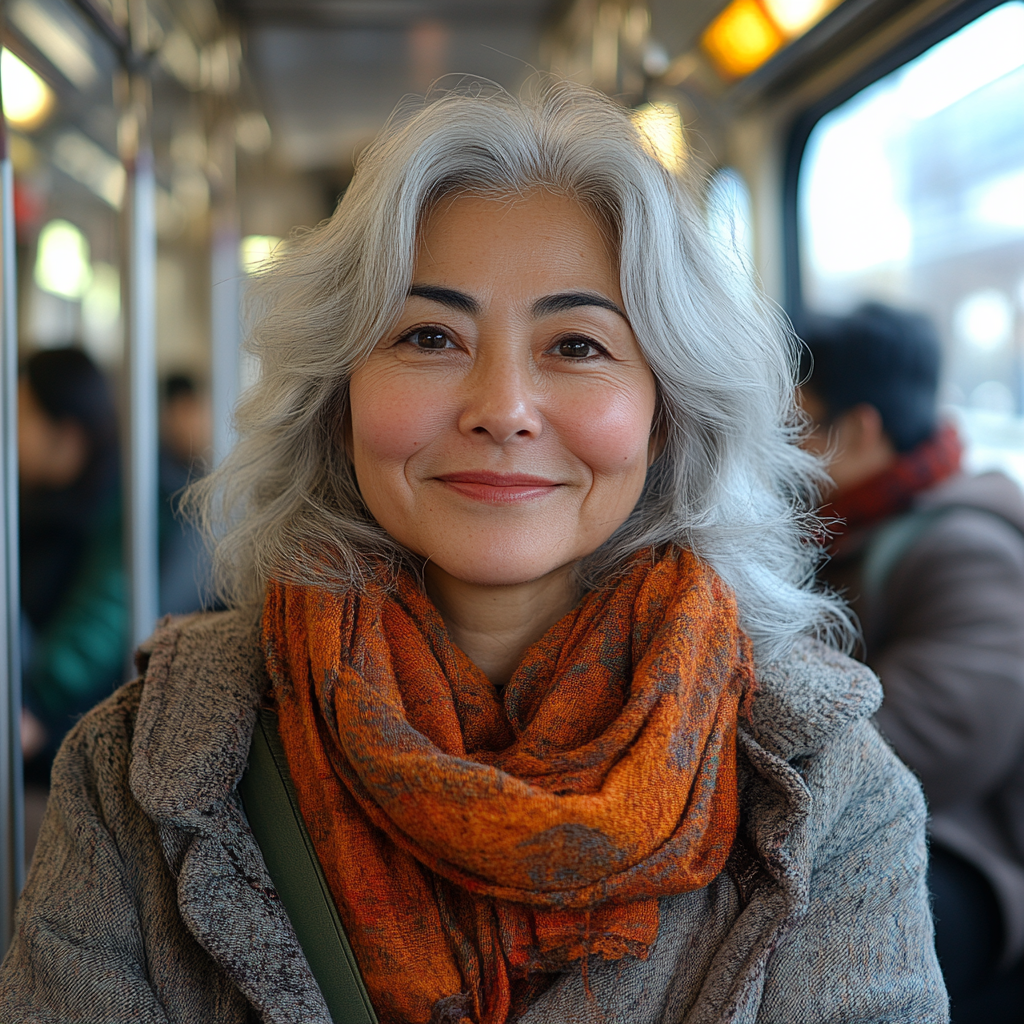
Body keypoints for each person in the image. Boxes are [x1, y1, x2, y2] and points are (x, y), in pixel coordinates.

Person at [0, 84, 947, 1023]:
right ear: (340, 402)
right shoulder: (140, 770)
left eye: (576, 345)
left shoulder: (825, 798)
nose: (501, 406)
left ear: (667, 418)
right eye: (428, 336)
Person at [800, 302, 1024, 1023]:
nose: (779, 451)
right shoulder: (845, 528)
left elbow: (945, 734)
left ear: (860, 430)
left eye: (795, 425)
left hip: (976, 857)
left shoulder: (963, 545)